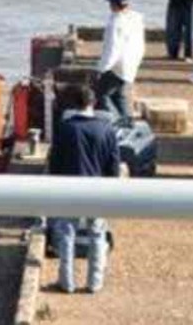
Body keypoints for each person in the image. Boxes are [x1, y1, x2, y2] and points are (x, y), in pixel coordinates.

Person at [47, 83, 122, 294]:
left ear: (74, 104)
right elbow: (113, 164)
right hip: (97, 190)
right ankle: (94, 282)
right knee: (97, 234)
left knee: (66, 234)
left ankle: (66, 282)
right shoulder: (106, 129)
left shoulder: (65, 128)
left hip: (69, 189)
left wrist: (55, 186)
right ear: (94, 103)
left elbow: (54, 162)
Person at [96, 0, 145, 121]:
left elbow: (113, 48)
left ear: (114, 5)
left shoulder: (115, 23)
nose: (109, 6)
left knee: (101, 94)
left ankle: (116, 121)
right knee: (118, 95)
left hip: (117, 66)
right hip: (130, 64)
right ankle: (127, 121)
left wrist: (102, 68)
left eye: (110, 4)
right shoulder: (135, 19)